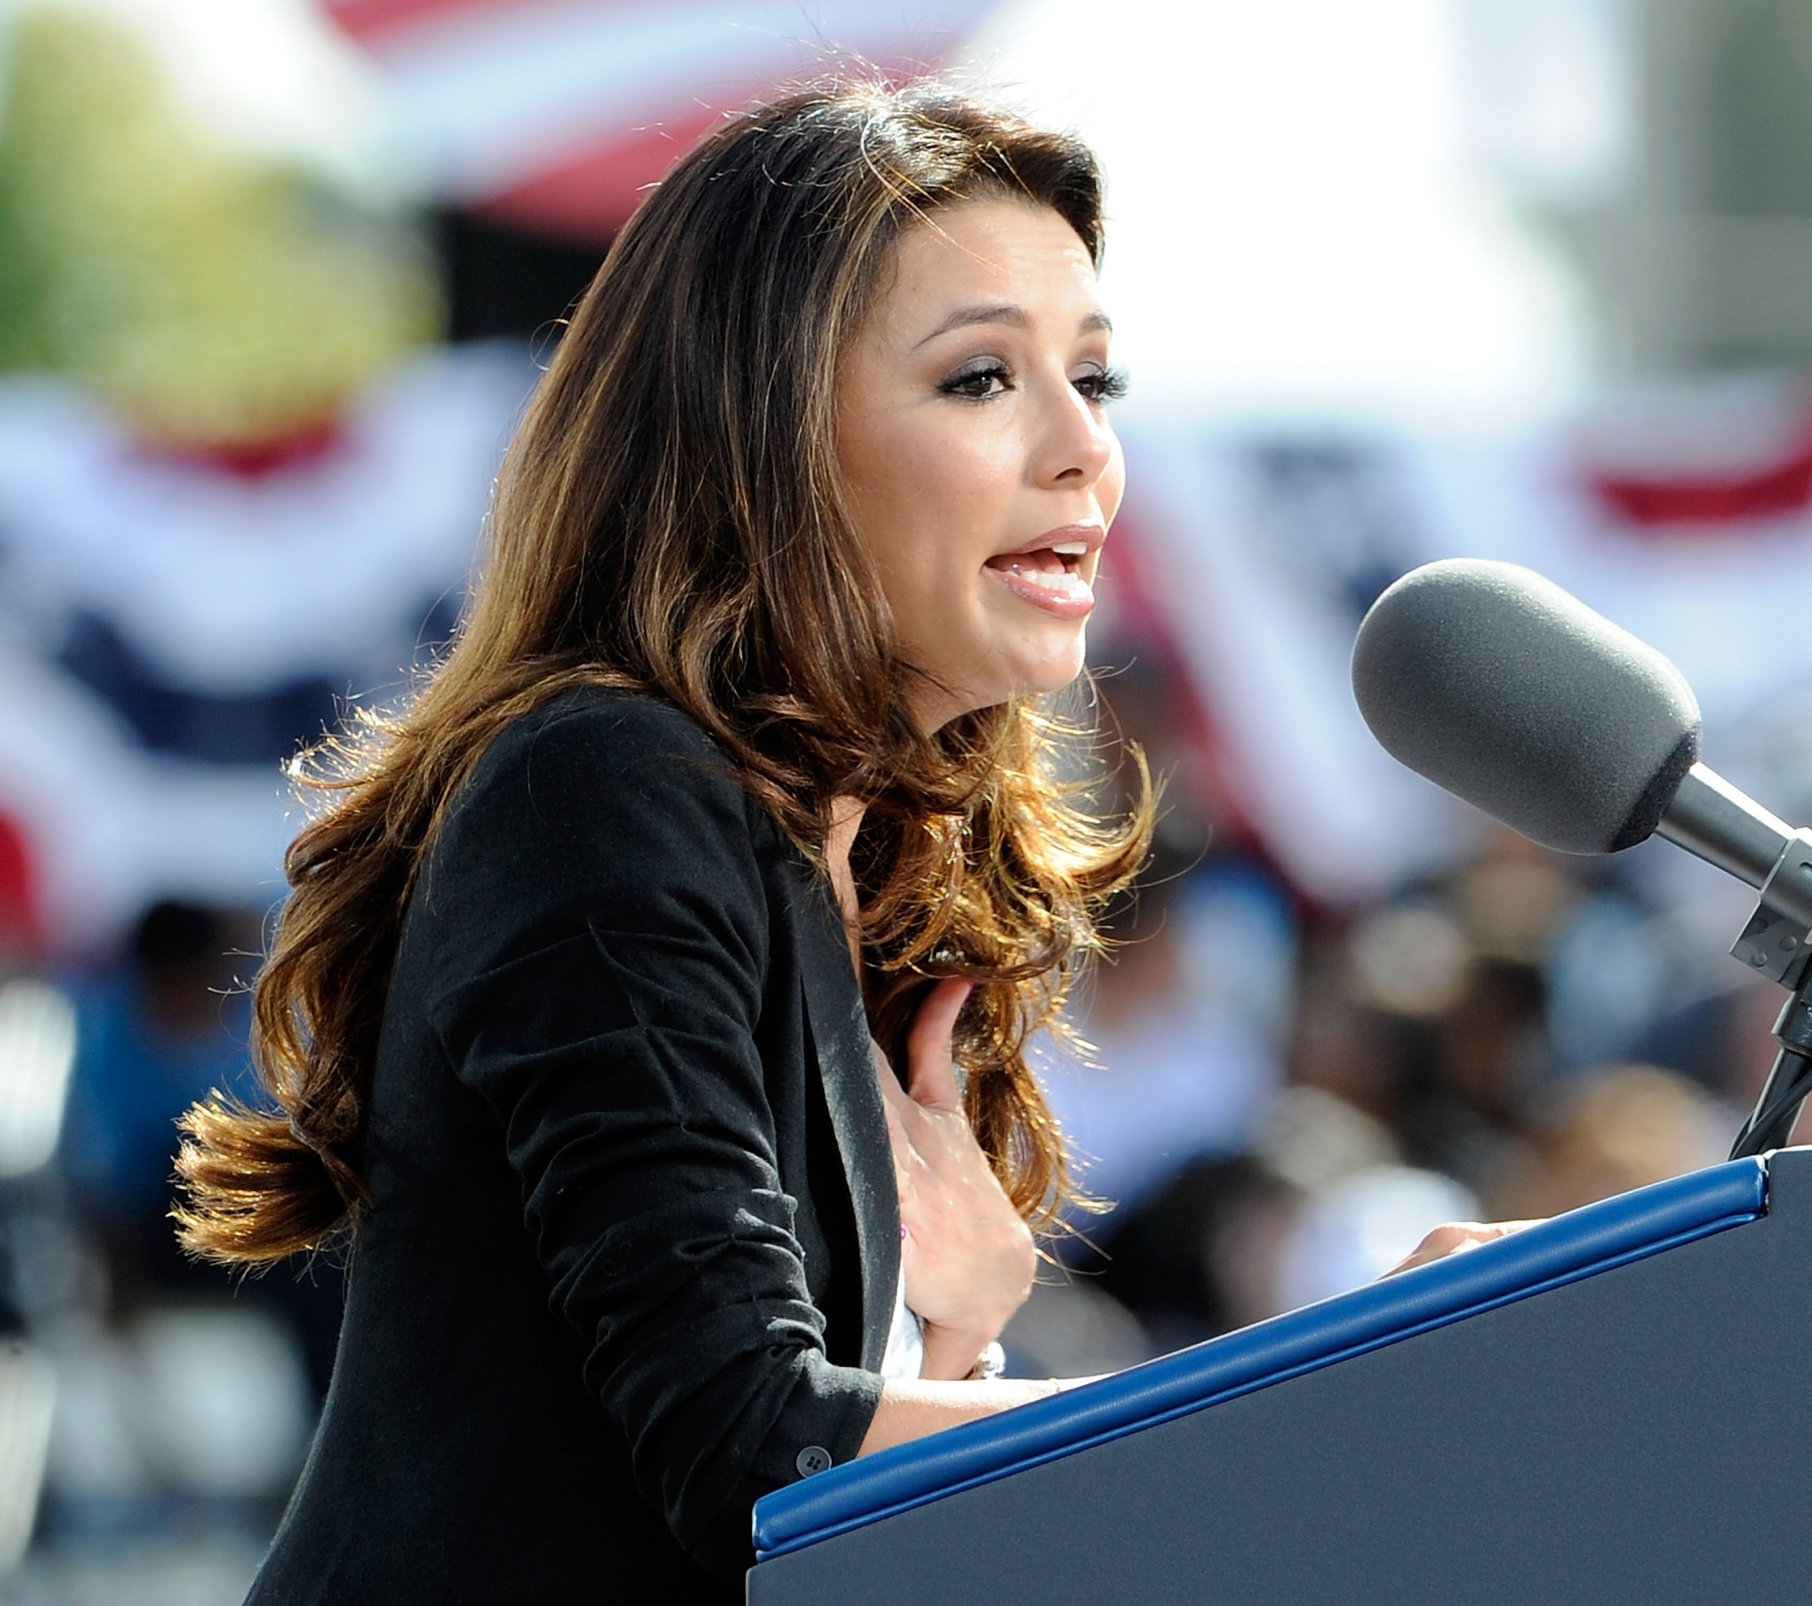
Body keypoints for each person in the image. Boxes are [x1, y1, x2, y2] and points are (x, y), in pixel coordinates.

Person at [168, 80, 1149, 1599]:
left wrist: (945, 1327)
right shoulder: (605, 784)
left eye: (1098, 378)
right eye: (978, 380)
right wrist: (1334, 1398)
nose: (1085, 447)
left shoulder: (839, 862)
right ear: (760, 437)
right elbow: (748, 1451)